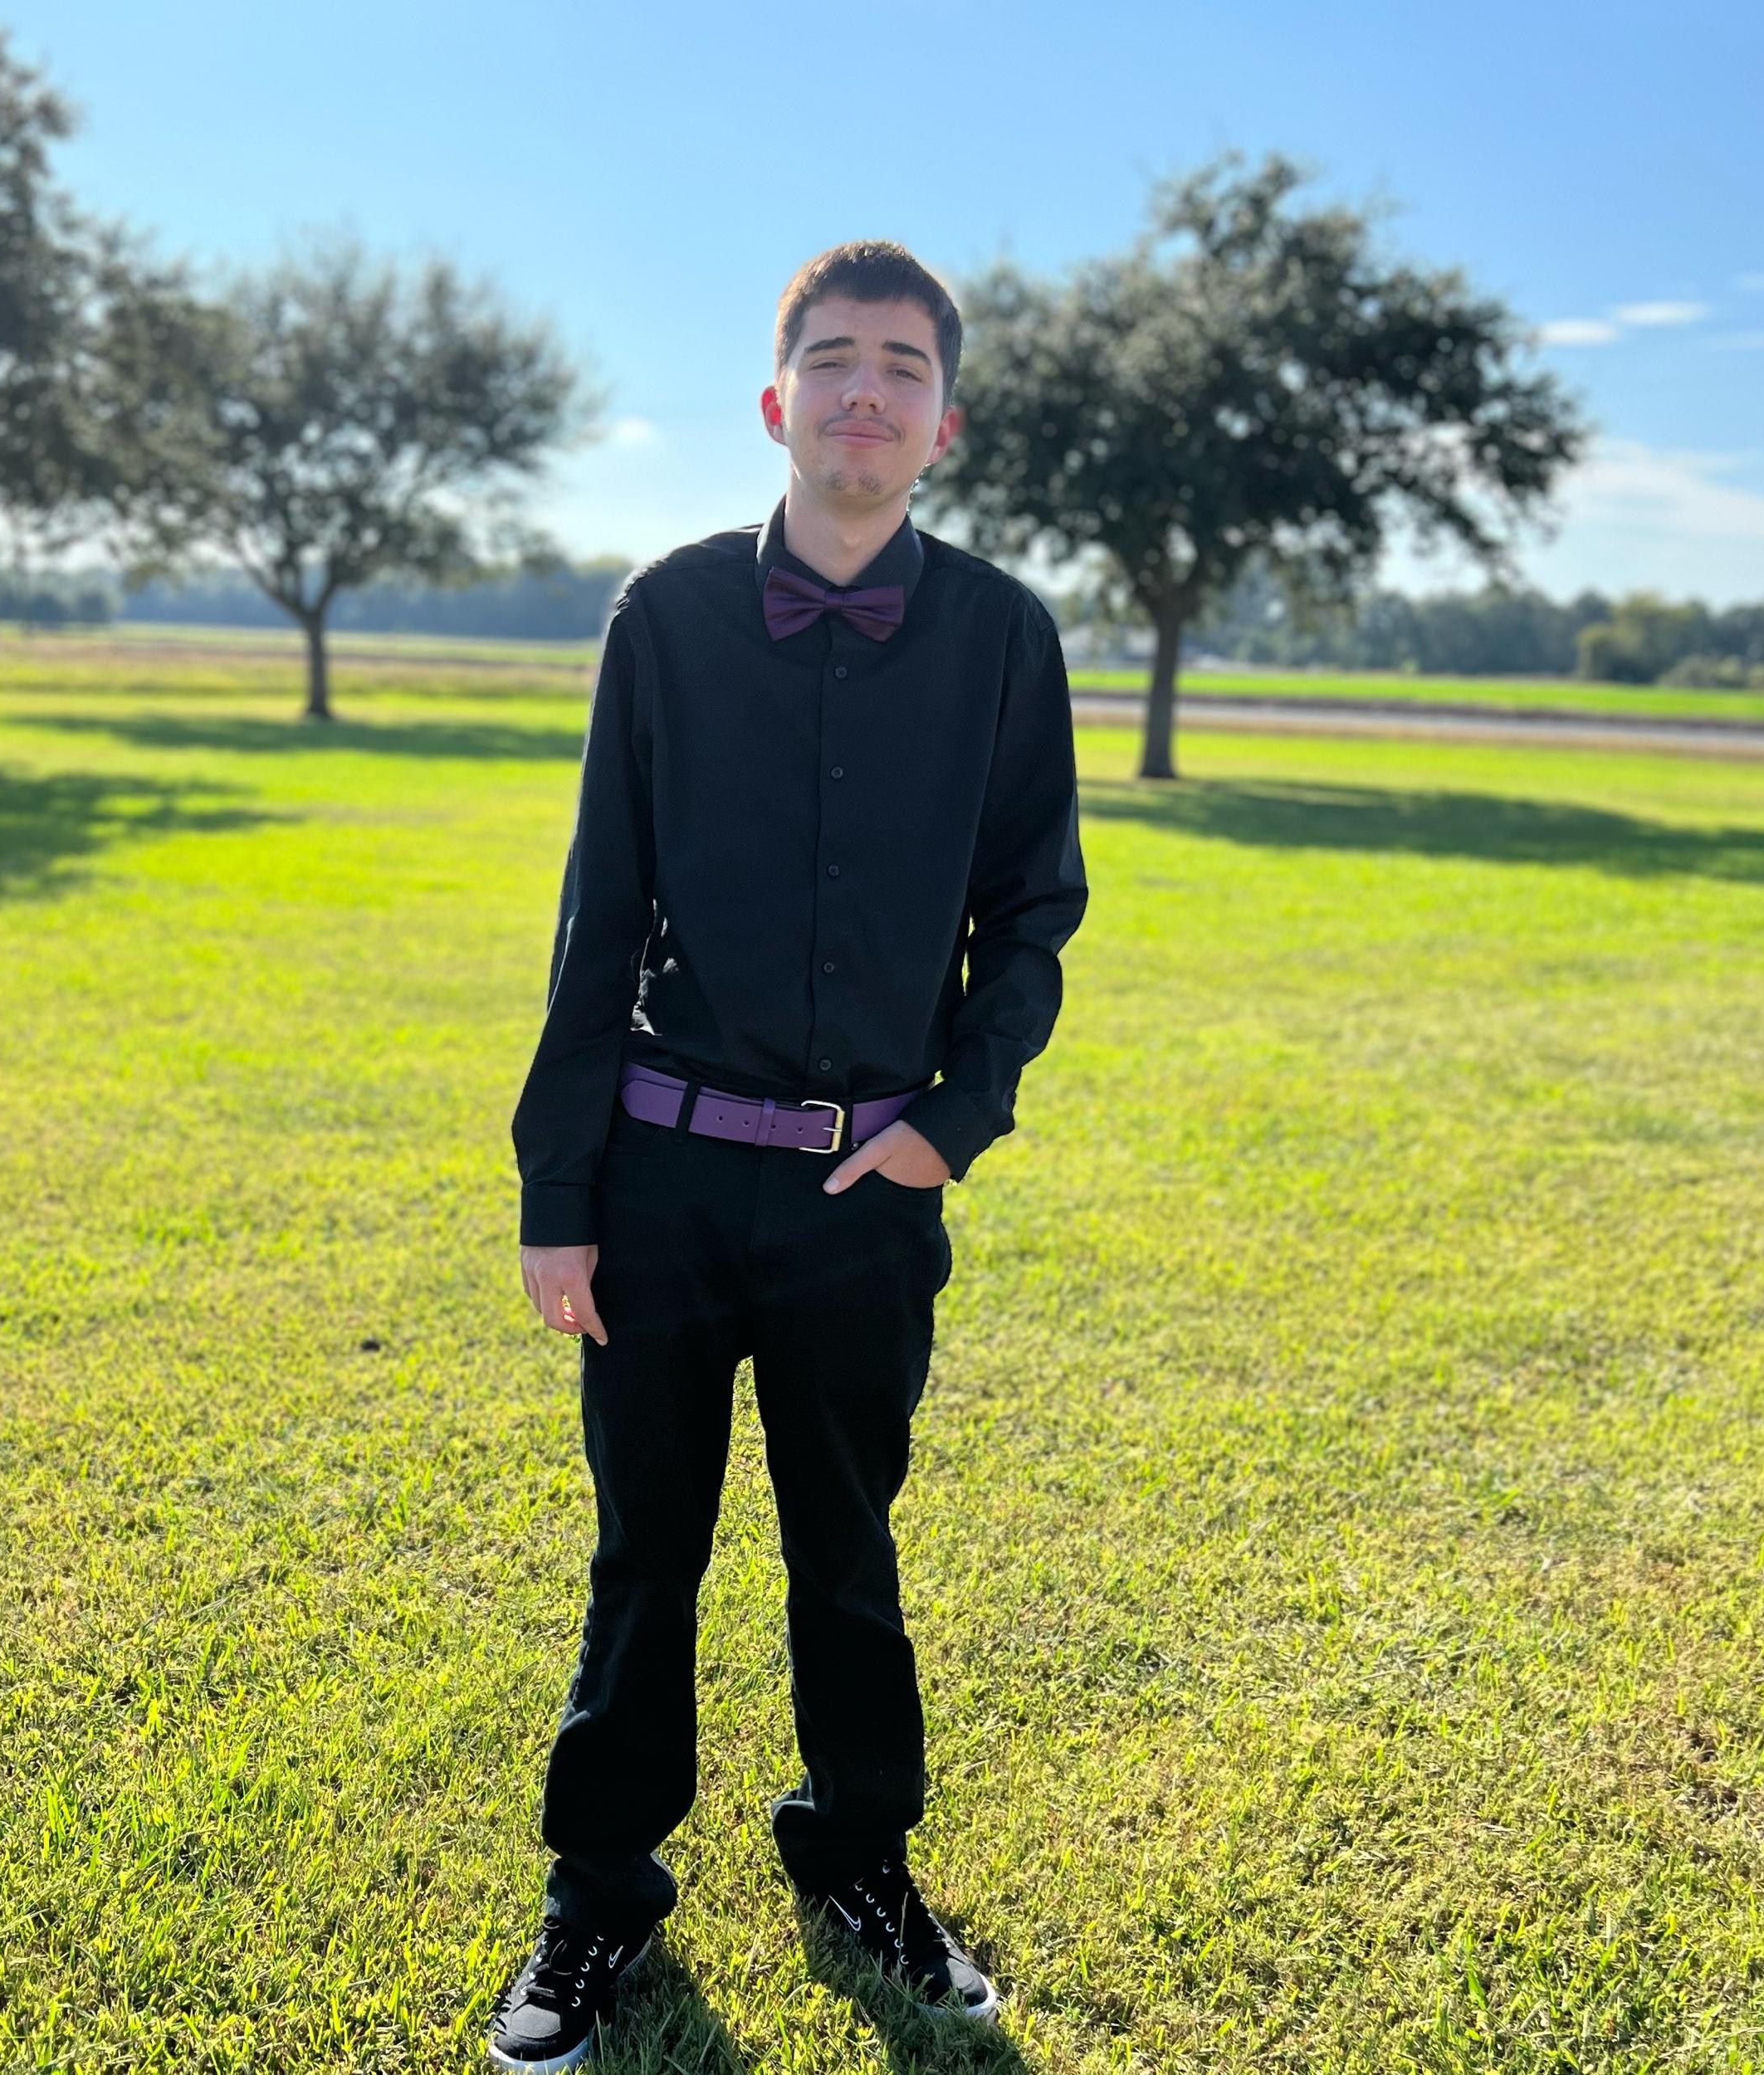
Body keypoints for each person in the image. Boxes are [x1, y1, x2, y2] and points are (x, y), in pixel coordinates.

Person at [487, 238, 1088, 2072]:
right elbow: (597, 915)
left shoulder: (1004, 637)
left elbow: (1033, 913)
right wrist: (559, 1193)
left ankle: (859, 1862)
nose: (864, 392)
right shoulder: (663, 617)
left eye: (901, 366)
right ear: (776, 402)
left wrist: (949, 1125)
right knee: (643, 1554)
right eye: (832, 359)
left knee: (847, 1551)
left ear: (942, 423)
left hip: (863, 1195)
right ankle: (599, 1894)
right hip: (661, 1180)